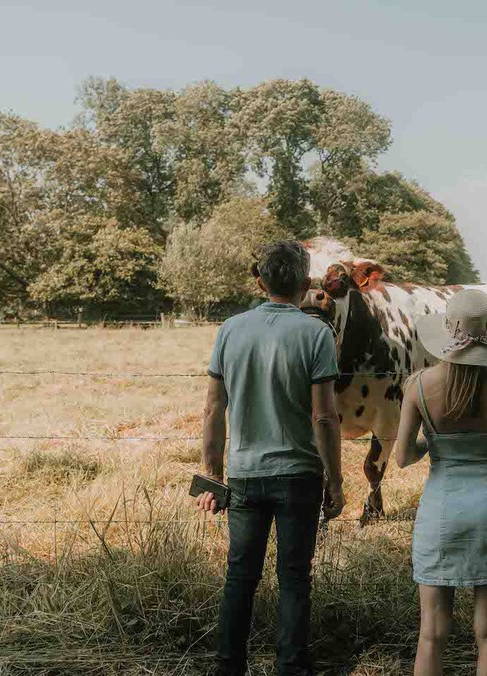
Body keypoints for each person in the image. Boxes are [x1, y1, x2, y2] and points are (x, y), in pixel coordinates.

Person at [194, 240, 344, 676]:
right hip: (299, 476)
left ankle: (229, 666)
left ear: (260, 281)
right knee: (294, 577)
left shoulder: (230, 330)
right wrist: (335, 480)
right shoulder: (317, 334)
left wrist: (213, 475)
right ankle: (289, 667)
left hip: (243, 474)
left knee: (240, 576)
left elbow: (211, 410)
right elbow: (324, 416)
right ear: (306, 283)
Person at [392, 289, 487, 676]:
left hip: (441, 509)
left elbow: (402, 457)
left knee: (431, 634)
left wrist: (436, 441)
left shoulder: (419, 386)